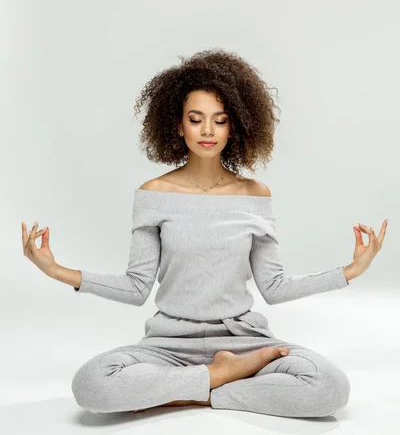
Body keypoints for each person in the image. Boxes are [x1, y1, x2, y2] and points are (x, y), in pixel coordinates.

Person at [22, 48, 387, 417]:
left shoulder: (254, 195)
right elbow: (136, 287)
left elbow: (274, 287)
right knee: (91, 384)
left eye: (220, 120)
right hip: (167, 346)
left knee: (329, 388)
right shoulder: (155, 194)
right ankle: (218, 378)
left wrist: (350, 271)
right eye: (196, 119)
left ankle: (199, 389)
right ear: (178, 126)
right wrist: (56, 271)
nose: (208, 131)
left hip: (243, 342)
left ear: (236, 125)